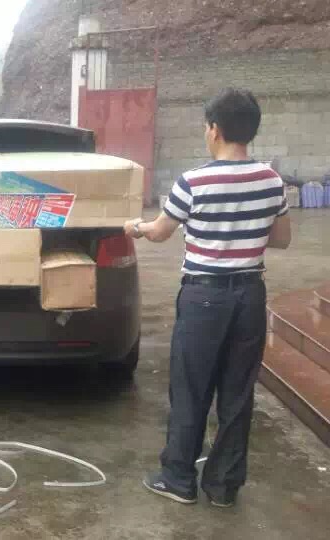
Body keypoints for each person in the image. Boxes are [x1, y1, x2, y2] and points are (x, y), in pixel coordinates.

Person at [125, 88, 292, 508]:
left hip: (204, 297)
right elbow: (282, 239)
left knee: (191, 388)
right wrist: (242, 231)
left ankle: (178, 479)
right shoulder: (272, 181)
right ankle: (223, 486)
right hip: (250, 296)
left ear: (214, 130)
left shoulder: (193, 181)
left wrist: (136, 227)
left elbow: (160, 232)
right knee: (238, 393)